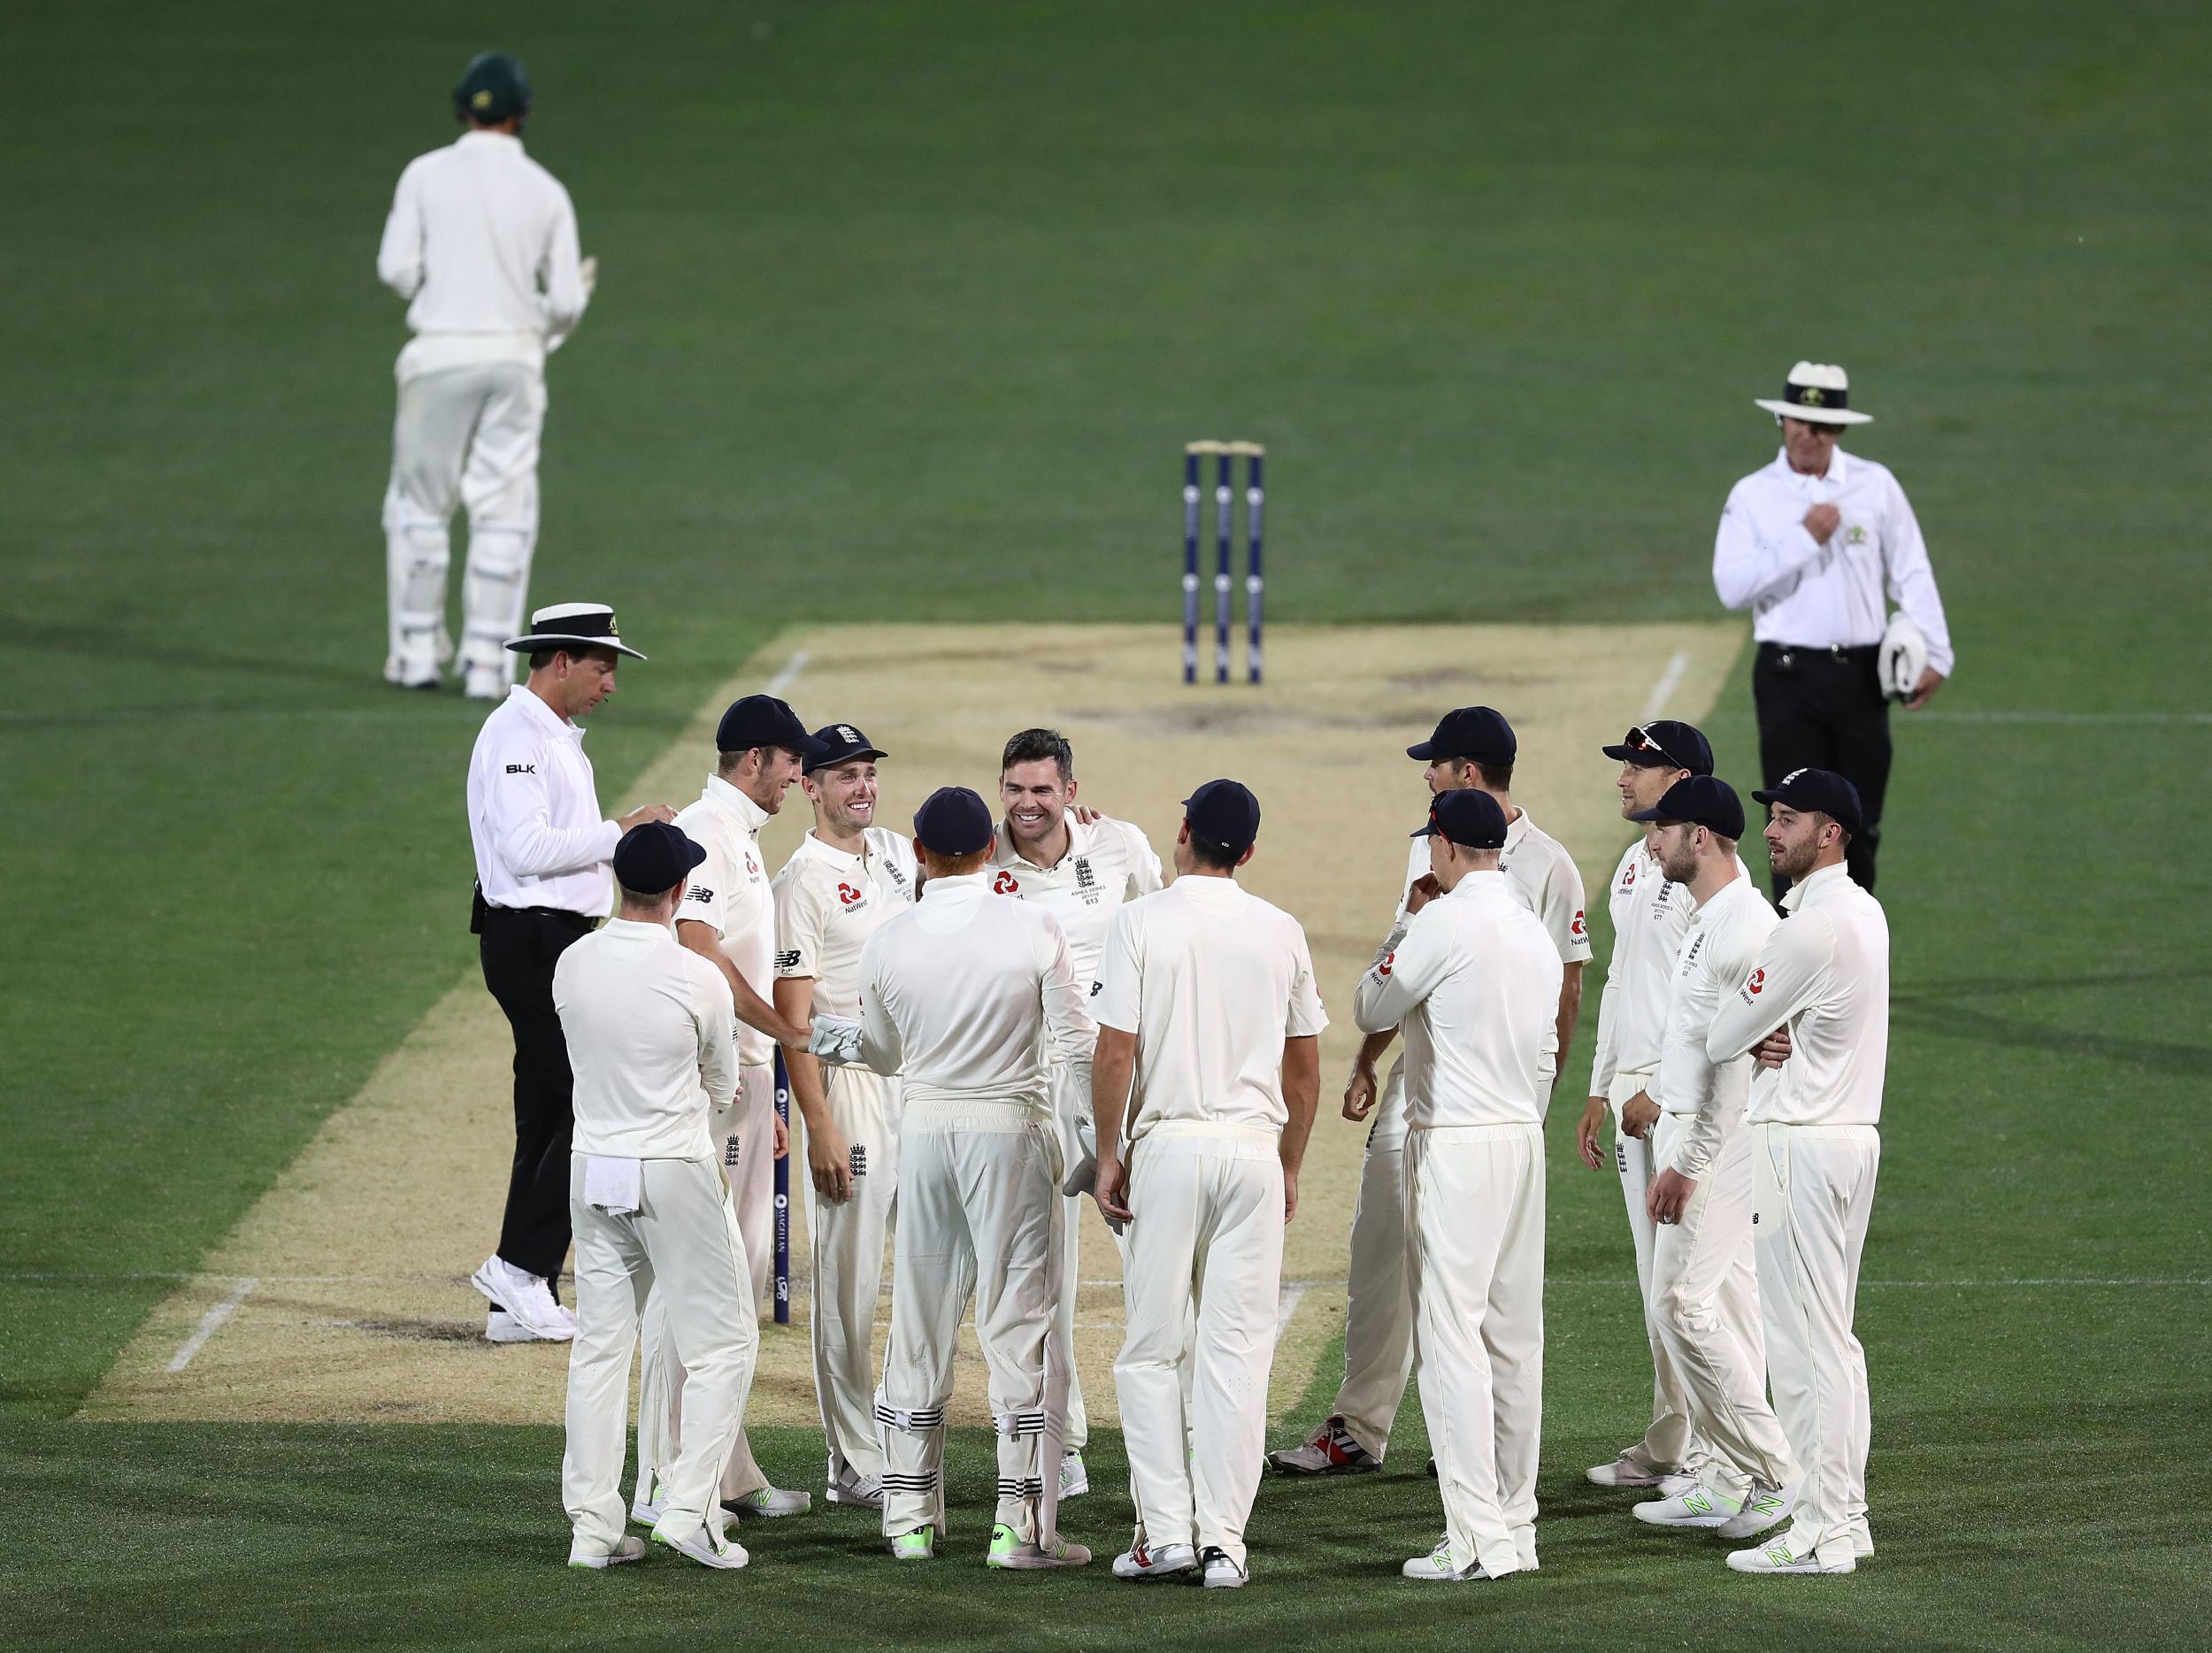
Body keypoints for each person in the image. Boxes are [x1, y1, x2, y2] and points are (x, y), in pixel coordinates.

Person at [1272, 706, 1587, 1477]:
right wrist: (1367, 1062)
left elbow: (1566, 992)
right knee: (1379, 1246)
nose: (1426, 774)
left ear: (1468, 773)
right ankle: (1358, 1426)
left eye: (1436, 765)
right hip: (1423, 1073)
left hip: (1496, 1095)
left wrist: (1535, 1098)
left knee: (1474, 1299)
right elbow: (1405, 971)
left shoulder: (1550, 866)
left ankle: (1481, 1471)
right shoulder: (1429, 844)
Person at [1090, 781, 1325, 1589]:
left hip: (1171, 1152)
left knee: (1154, 1352)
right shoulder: (1281, 930)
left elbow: (1115, 1051)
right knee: (1237, 1356)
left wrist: (1110, 1153)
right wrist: (1290, 1163)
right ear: (1249, 852)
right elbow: (1304, 1069)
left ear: (1183, 832)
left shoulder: (1141, 920)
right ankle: (1226, 1542)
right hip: (1255, 1157)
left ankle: (1167, 1535)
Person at [859, 788, 1096, 1569]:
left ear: (921, 854)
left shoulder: (888, 940)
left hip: (924, 1133)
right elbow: (1076, 1042)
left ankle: (907, 1519)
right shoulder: (1032, 925)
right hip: (1010, 1133)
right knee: (1017, 1319)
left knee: (920, 1315)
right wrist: (1091, 1144)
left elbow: (883, 1053)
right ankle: (1018, 1526)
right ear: (989, 852)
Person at [1353, 789, 1560, 1583]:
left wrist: (1407, 923)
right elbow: (1543, 1049)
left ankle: (1476, 1539)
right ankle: (1515, 1523)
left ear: (1443, 846)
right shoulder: (1531, 929)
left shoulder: (1442, 920)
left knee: (1449, 1340)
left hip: (1458, 1145)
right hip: (1520, 1140)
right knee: (1513, 1340)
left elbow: (1374, 1001)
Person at [634, 696, 818, 1526]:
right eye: (791, 763)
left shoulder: (736, 836)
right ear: (755, 761)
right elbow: (697, 950)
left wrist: (764, 1081)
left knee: (732, 1283)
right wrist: (777, 1037)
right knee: (705, 1287)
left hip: (740, 1088)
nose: (797, 777)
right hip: (718, 1090)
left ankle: (727, 1471)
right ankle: (683, 1478)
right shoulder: (710, 832)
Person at [465, 603, 670, 1343]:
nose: (610, 685)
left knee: (547, 1112)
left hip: (550, 938)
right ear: (561, 661)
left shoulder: (549, 736)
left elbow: (549, 842)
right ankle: (518, 1267)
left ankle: (519, 1297)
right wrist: (622, 832)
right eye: (603, 666)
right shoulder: (518, 733)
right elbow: (524, 849)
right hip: (531, 940)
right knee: (590, 1099)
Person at [556, 822, 753, 1572]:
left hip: (593, 1165)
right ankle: (692, 1509)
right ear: (676, 894)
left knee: (601, 1348)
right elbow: (724, 1084)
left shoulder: (572, 965)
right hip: (671, 1166)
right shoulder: (695, 976)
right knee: (726, 1343)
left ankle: (593, 1530)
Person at [1709, 767, 1889, 1575]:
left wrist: (1755, 1027)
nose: (1773, 832)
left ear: (1833, 833)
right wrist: (1768, 1025)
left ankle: (1821, 1531)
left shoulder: (1806, 930)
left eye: (1789, 820)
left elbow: (1720, 1033)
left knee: (1806, 1347)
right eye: (1773, 818)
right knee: (1833, 1345)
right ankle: (1843, 1520)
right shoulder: (1864, 912)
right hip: (1847, 1139)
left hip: (1799, 1144)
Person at [376, 52, 595, 697]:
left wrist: (442, 288)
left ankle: (415, 653)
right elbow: (561, 303)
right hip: (514, 358)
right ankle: (485, 663)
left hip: (437, 352)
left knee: (419, 505)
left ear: (460, 112)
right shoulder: (545, 190)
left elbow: (395, 270)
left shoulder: (424, 174)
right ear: (521, 115)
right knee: (503, 509)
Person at [986, 727, 1164, 1498]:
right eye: (1015, 789)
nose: (1027, 805)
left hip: (1115, 1076)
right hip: (1024, 1081)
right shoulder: (975, 862)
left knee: (1150, 1250)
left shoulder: (1119, 844)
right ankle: (1063, 1442)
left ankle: (1180, 1429)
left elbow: (1168, 928)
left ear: (1070, 790)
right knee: (1041, 1271)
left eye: (1041, 790)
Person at [1624, 776, 1801, 1541]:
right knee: (1717, 1305)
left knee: (1681, 1307)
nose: (1651, 840)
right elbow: (1700, 1045)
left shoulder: (1743, 930)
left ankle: (1774, 1472)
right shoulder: (1709, 919)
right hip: (1690, 1133)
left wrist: (1689, 1161)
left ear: (1700, 837)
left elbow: (1733, 1072)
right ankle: (1727, 1478)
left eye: (1663, 829)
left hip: (1716, 1147)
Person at [1713, 361, 1956, 895]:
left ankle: (1856, 961)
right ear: (1781, 421)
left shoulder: (1875, 486)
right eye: (1799, 420)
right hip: (1786, 678)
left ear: (1840, 429)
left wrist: (1937, 652)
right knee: (1789, 828)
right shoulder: (1753, 495)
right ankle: (1787, 965)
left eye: (1822, 424)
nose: (1809, 433)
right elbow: (1731, 586)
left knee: (1858, 827)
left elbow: (1911, 568)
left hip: (1861, 679)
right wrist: (1803, 538)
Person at [1575, 719, 1736, 1494]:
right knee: (1656, 1286)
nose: (1623, 778)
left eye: (1637, 767)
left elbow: (1707, 1009)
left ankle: (1714, 1456)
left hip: (1679, 1102)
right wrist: (1601, 1087)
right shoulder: (1638, 868)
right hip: (1636, 1092)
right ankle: (1674, 1441)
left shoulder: (1704, 881)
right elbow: (1623, 979)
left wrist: (1657, 1092)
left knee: (1691, 1288)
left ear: (1680, 777)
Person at [771, 724, 918, 1511]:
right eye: (845, 776)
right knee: (849, 1283)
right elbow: (795, 1018)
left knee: (927, 1272)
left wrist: (1068, 820)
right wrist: (819, 1123)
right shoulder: (801, 882)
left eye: (867, 773)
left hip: (915, 1087)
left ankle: (895, 1434)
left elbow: (970, 849)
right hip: (851, 1092)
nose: (862, 787)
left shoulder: (893, 850)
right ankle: (854, 1461)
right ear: (811, 788)